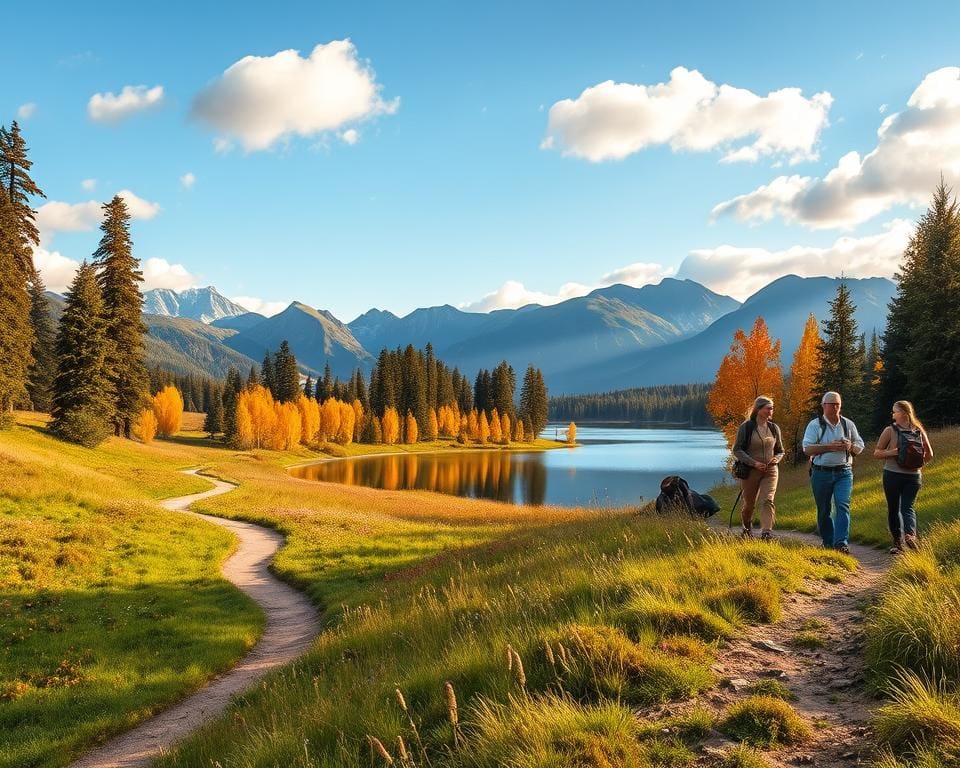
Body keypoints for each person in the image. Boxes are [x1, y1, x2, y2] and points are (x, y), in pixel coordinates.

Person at [802, 391, 865, 554]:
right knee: (823, 509)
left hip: (844, 472)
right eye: (832, 404)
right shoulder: (815, 425)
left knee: (843, 505)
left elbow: (860, 446)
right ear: (823, 406)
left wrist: (849, 446)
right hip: (820, 472)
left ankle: (841, 543)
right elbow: (807, 449)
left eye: (838, 404)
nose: (835, 407)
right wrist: (829, 447)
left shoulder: (848, 425)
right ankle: (828, 542)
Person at [872, 400, 933, 554]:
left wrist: (892, 453)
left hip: (892, 475)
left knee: (893, 508)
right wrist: (917, 465)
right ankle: (910, 535)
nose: (892, 414)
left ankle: (898, 544)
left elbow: (877, 453)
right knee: (908, 507)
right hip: (914, 477)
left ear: (903, 413)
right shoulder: (918, 430)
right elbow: (930, 454)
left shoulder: (889, 430)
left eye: (895, 411)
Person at [732, 396, 785, 540]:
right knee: (749, 504)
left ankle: (766, 532)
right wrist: (753, 463)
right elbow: (737, 450)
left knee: (768, 500)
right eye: (768, 408)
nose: (771, 410)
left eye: (772, 408)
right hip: (751, 471)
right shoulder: (747, 427)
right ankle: (746, 529)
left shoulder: (774, 428)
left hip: (771, 471)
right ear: (759, 409)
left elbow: (781, 450)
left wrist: (776, 459)